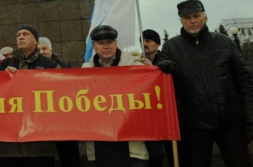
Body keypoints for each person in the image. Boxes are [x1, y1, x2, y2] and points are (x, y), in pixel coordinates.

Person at [157, 0, 253, 167]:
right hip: (193, 126)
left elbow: (247, 83)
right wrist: (161, 65)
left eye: (196, 16)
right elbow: (161, 79)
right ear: (181, 21)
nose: (192, 21)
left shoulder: (225, 43)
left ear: (205, 17)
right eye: (187, 17)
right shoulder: (171, 47)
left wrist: (252, 120)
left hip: (230, 123)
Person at [82, 25, 149, 167]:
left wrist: (158, 69)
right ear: (94, 46)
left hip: (132, 146)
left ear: (116, 43)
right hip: (99, 143)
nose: (106, 46)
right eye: (101, 43)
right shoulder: (84, 71)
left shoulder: (137, 66)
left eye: (109, 42)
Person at [0, 25, 59, 167]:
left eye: (25, 34)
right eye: (18, 35)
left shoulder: (49, 65)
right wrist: (2, 78)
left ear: (35, 41)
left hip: (39, 146)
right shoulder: (4, 65)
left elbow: (60, 96)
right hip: (8, 147)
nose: (21, 37)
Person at [37, 37, 81, 167]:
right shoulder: (30, 67)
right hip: (42, 120)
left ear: (51, 50)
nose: (41, 52)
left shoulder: (65, 66)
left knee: (69, 157)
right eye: (38, 49)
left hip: (64, 120)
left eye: (44, 48)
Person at [140, 29, 173, 167]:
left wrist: (154, 69)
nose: (144, 44)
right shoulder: (137, 63)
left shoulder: (167, 60)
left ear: (158, 44)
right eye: (142, 41)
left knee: (173, 153)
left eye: (148, 41)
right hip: (149, 116)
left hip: (167, 115)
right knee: (154, 156)